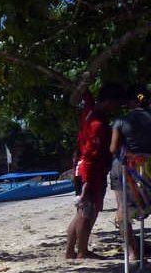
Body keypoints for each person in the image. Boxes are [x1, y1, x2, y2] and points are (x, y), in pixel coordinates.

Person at [65, 83, 123, 259]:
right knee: (87, 212)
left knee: (82, 211)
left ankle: (70, 251)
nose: (117, 107)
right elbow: (91, 154)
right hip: (90, 171)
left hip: (82, 168)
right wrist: (88, 182)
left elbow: (86, 96)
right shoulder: (97, 124)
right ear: (109, 101)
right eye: (116, 103)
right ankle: (82, 251)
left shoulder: (89, 109)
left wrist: (85, 85)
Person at [109, 85, 151, 260]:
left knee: (122, 210)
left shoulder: (121, 121)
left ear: (131, 102)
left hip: (128, 172)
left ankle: (132, 253)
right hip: (149, 170)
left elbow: (113, 148)